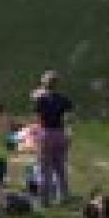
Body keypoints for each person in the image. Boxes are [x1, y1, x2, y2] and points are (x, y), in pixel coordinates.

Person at [31, 70, 74, 206]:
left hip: (45, 133)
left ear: (44, 83)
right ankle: (64, 197)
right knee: (61, 167)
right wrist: (68, 132)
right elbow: (69, 118)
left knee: (44, 168)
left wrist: (36, 135)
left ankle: (44, 199)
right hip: (61, 133)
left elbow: (37, 118)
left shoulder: (41, 99)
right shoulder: (64, 99)